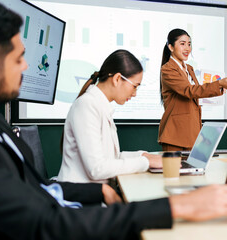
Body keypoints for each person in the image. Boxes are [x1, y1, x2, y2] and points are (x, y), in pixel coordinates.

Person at [0, 1, 227, 239]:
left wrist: (141, 156)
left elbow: (47, 186)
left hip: (79, 200)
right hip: (74, 213)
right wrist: (176, 203)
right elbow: (85, 181)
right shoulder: (87, 106)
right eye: (18, 58)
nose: (26, 66)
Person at [57, 49, 163, 184]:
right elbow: (97, 168)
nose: (135, 93)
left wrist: (144, 155)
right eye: (135, 86)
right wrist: (146, 162)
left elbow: (111, 158)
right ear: (117, 79)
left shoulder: (99, 105)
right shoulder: (86, 105)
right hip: (80, 196)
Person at [158, 28, 227, 151]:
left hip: (192, 132)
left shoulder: (189, 68)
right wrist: (219, 84)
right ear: (170, 47)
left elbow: (196, 93)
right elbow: (189, 91)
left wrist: (221, 87)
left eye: (189, 44)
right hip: (176, 134)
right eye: (182, 44)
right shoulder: (168, 69)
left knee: (192, 170)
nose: (187, 48)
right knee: (175, 171)